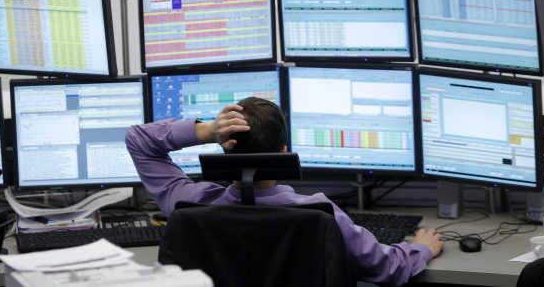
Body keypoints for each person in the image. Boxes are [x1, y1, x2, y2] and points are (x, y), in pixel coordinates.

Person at [126, 97, 443, 286]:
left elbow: (139, 140)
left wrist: (208, 130)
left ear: (225, 149)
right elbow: (387, 267)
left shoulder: (190, 205)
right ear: (284, 151)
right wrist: (421, 248)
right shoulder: (319, 215)